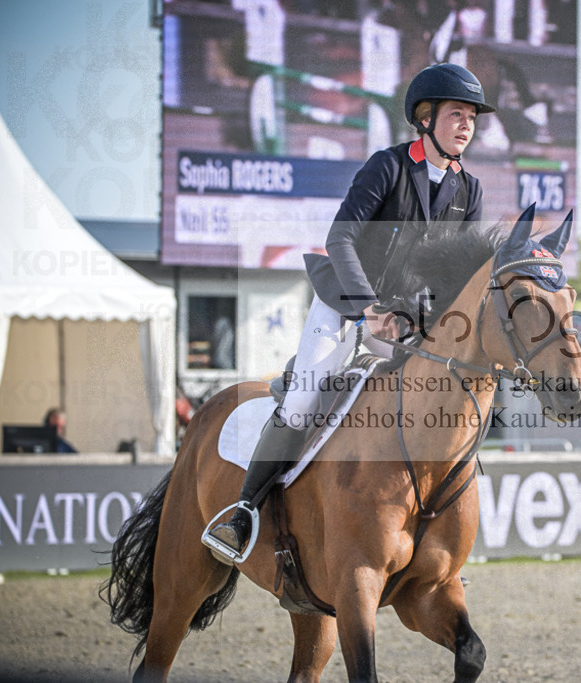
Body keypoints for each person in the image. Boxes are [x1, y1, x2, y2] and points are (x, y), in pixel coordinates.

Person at [203, 63, 496, 564]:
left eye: (472, 117)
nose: (466, 125)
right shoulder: (388, 167)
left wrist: (433, 324)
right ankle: (244, 511)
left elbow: (456, 277)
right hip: (344, 305)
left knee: (439, 400)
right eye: (456, 114)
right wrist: (368, 309)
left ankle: (430, 542)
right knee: (304, 401)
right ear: (425, 118)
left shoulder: (469, 190)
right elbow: (340, 239)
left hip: (404, 320)